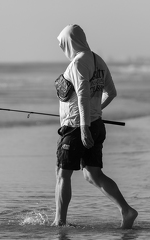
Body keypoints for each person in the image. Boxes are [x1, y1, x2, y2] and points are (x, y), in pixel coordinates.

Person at [52, 24, 138, 228]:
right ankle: (127, 211)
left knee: (62, 174)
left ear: (70, 42)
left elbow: (82, 94)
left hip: (76, 127)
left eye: (63, 43)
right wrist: (94, 112)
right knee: (92, 174)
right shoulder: (98, 60)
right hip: (96, 125)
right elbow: (112, 92)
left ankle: (59, 222)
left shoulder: (79, 62)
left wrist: (84, 126)